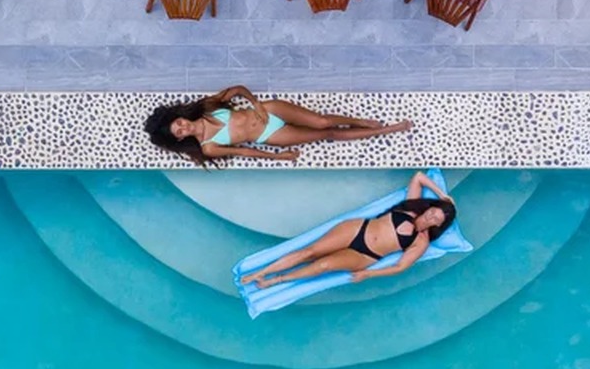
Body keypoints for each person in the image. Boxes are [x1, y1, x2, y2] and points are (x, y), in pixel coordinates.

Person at [239, 173, 457, 288]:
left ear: (438, 225)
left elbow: (400, 267)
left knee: (322, 265)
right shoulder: (411, 206)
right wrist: (443, 196)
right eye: (433, 211)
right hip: (357, 229)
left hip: (365, 255)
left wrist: (369, 274)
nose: (431, 216)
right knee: (310, 252)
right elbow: (419, 176)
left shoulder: (421, 242)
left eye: (436, 218)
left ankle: (276, 281)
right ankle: (262, 272)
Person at [143, 86, 413, 166]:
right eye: (178, 132)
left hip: (270, 110)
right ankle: (385, 130)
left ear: (179, 117)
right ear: (179, 139)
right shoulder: (209, 147)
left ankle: (358, 121)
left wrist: (256, 104)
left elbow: (236, 89)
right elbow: (245, 152)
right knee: (326, 133)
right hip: (271, 134)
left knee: (323, 120)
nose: (182, 128)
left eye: (178, 123)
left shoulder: (206, 107)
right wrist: (277, 156)